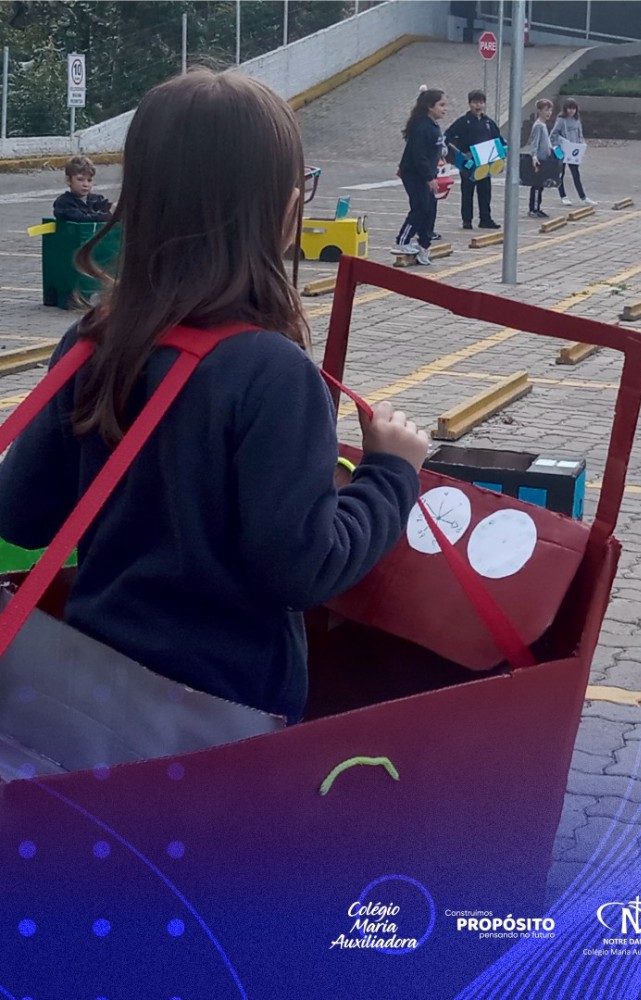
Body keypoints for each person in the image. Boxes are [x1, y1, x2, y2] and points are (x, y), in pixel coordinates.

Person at [0, 70, 429, 723]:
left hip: (90, 704)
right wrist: (391, 474)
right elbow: (303, 567)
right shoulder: (273, 374)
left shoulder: (92, 345)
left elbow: (22, 515)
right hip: (219, 721)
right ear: (285, 212)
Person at [393, 87, 448, 265]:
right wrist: (428, 177)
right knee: (420, 207)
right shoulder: (421, 126)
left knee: (430, 208)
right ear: (430, 106)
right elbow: (419, 155)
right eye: (441, 105)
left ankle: (424, 244)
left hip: (427, 174)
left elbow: (433, 150)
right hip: (414, 174)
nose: (444, 109)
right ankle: (403, 240)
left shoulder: (433, 126)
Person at [444, 89, 503, 230]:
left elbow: (498, 138)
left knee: (485, 191)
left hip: (485, 163)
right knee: (467, 192)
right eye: (475, 102)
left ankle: (485, 219)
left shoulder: (488, 122)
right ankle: (467, 220)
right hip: (468, 163)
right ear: (469, 104)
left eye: (481, 102)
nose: (479, 106)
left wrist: (500, 157)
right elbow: (448, 136)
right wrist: (456, 155)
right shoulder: (463, 121)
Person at [550, 99, 596, 207]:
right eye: (569, 108)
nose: (571, 111)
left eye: (573, 108)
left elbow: (580, 134)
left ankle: (583, 197)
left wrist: (581, 145)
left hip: (574, 150)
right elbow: (553, 134)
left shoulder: (576, 120)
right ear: (565, 109)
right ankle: (563, 196)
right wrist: (556, 146)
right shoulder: (561, 120)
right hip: (563, 150)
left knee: (576, 173)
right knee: (561, 173)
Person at [53, 155, 114, 222]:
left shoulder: (96, 199)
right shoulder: (64, 203)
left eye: (89, 180)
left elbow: (107, 206)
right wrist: (109, 215)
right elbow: (82, 219)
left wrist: (119, 208)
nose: (86, 184)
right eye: (80, 179)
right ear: (68, 180)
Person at [527, 98, 554, 218]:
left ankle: (537, 207)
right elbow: (535, 143)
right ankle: (534, 208)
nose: (548, 113)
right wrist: (534, 157)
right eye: (546, 110)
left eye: (550, 110)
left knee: (540, 185)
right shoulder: (538, 126)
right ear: (539, 111)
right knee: (537, 185)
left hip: (544, 159)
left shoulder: (543, 125)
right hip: (539, 159)